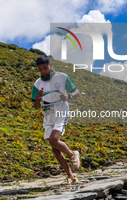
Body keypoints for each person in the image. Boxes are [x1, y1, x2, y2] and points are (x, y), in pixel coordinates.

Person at [31, 55, 81, 185]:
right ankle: (71, 176)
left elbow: (76, 92)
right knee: (54, 147)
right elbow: (36, 107)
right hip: (48, 115)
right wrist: (38, 98)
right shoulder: (37, 83)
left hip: (61, 111)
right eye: (40, 69)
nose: (43, 71)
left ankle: (72, 155)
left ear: (50, 65)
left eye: (45, 68)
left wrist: (68, 96)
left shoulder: (62, 77)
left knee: (54, 139)